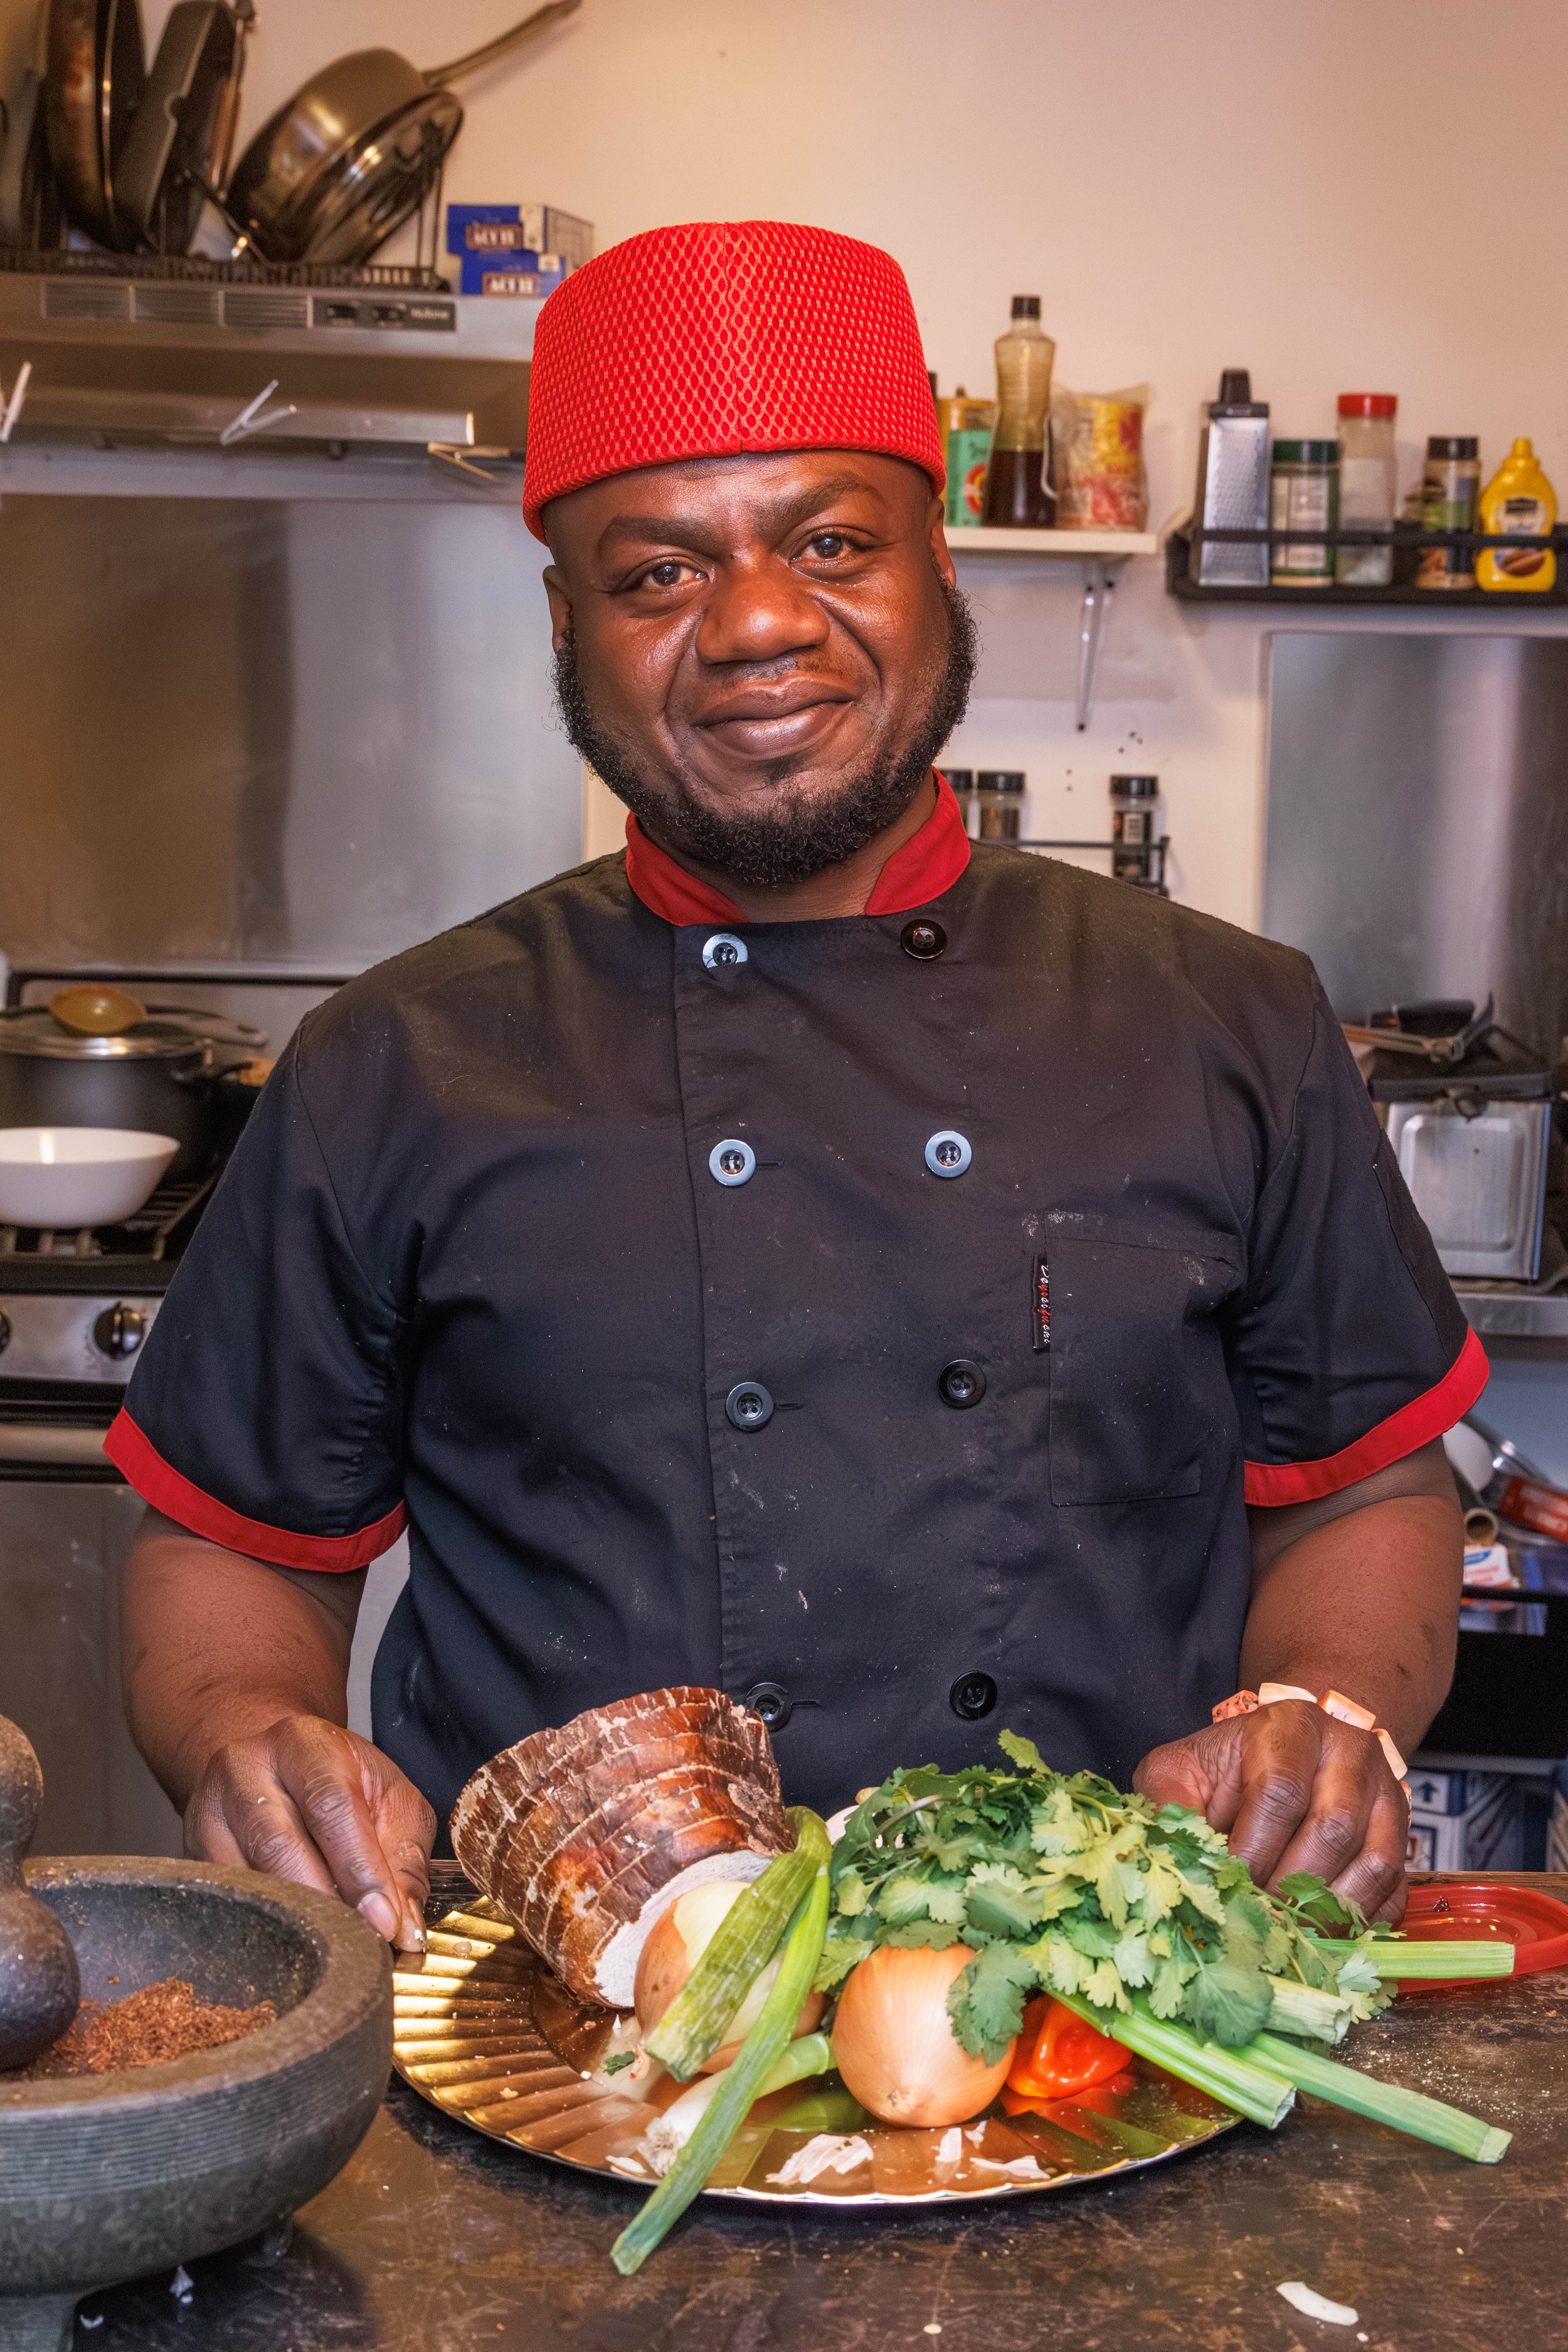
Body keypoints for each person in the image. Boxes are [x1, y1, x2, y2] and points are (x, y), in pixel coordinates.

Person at [116, 221, 1480, 1957]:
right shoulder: (400, 1060)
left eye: (833, 541)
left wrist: (1331, 1721)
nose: (759, 622)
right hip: (552, 2029)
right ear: (567, 621)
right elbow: (236, 1543)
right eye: (656, 572)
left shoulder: (1225, 1017)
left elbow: (1365, 1484)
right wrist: (248, 1737)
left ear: (941, 564)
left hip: (1098, 2015)